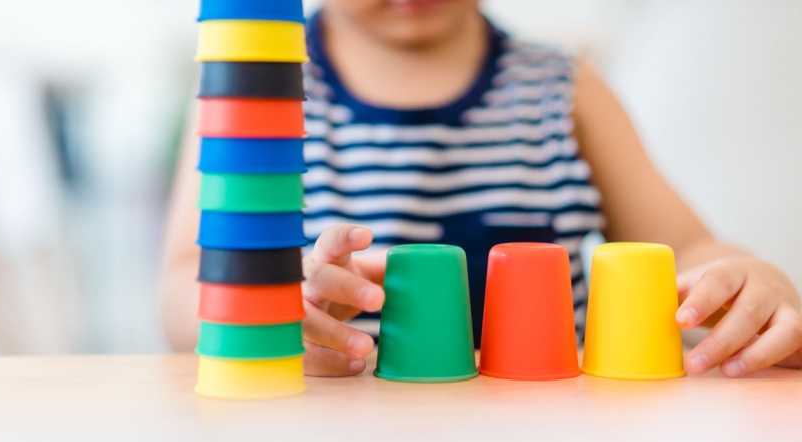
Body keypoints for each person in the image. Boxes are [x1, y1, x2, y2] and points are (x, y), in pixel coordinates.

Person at [161, 0, 802, 378]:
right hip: (335, 424)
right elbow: (181, 284)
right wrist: (263, 311)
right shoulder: (256, 83)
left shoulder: (567, 88)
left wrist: (743, 280)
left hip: (544, 423)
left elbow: (683, 245)